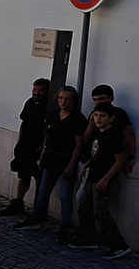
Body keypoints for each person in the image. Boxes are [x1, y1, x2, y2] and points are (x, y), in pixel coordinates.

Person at [15, 85, 87, 242]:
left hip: (66, 159)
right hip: (50, 159)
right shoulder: (54, 115)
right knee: (43, 191)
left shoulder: (78, 119)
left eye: (67, 99)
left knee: (65, 195)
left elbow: (78, 145)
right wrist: (42, 157)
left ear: (73, 101)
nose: (63, 102)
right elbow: (47, 138)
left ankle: (65, 227)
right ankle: (37, 218)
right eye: (61, 98)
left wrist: (71, 165)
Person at [70, 103, 130, 258]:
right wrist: (87, 165)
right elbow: (97, 154)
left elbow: (119, 160)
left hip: (103, 178)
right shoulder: (98, 134)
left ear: (111, 118)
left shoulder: (114, 135)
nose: (98, 119)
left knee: (100, 212)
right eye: (96, 115)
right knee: (84, 204)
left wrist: (106, 179)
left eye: (102, 116)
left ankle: (118, 244)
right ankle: (88, 238)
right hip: (92, 175)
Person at [2, 78, 50, 216]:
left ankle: (39, 209)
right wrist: (19, 141)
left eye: (40, 90)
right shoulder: (30, 103)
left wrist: (43, 146)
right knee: (23, 176)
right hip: (25, 146)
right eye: (35, 89)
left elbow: (49, 130)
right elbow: (24, 122)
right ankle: (18, 203)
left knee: (40, 179)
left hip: (40, 148)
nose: (37, 93)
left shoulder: (49, 107)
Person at [72, 84, 138, 176]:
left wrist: (131, 158)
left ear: (111, 98)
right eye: (95, 100)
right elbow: (85, 139)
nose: (98, 102)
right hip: (90, 160)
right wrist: (91, 124)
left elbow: (129, 136)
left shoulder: (119, 114)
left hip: (109, 162)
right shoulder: (94, 113)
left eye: (101, 99)